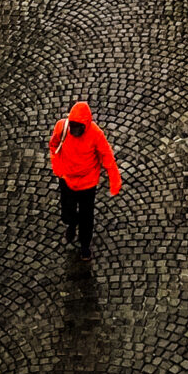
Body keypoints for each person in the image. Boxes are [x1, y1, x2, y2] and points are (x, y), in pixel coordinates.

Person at [48, 99, 121, 258]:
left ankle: (85, 245)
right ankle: (72, 223)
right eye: (72, 126)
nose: (74, 130)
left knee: (86, 216)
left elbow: (106, 156)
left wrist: (114, 179)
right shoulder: (62, 127)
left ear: (85, 125)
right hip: (67, 179)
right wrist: (58, 168)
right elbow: (53, 145)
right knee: (67, 212)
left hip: (88, 184)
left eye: (77, 127)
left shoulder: (96, 134)